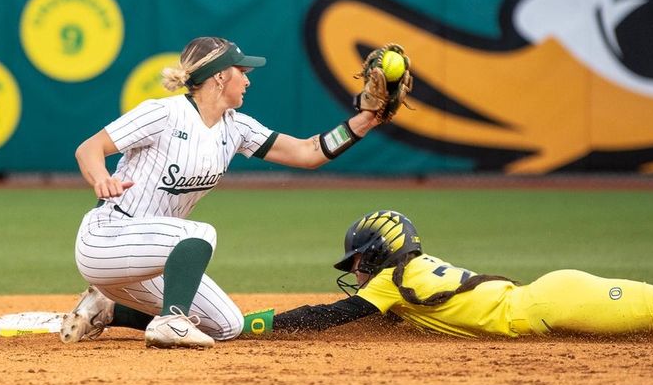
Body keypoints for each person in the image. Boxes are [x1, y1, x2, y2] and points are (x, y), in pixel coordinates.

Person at [59, 37, 410, 349]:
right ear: (219, 76)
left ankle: (106, 308)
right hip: (106, 238)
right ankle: (170, 322)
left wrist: (367, 119)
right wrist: (100, 177)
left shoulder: (236, 127)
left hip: (152, 257)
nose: (247, 79)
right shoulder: (163, 113)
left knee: (227, 325)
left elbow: (309, 152)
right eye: (242, 71)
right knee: (199, 233)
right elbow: (88, 148)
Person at [260, 210, 653, 338]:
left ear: (382, 252)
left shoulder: (392, 284)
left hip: (553, 302)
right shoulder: (409, 277)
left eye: (362, 258)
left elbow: (329, 316)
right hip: (546, 296)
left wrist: (256, 326)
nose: (358, 270)